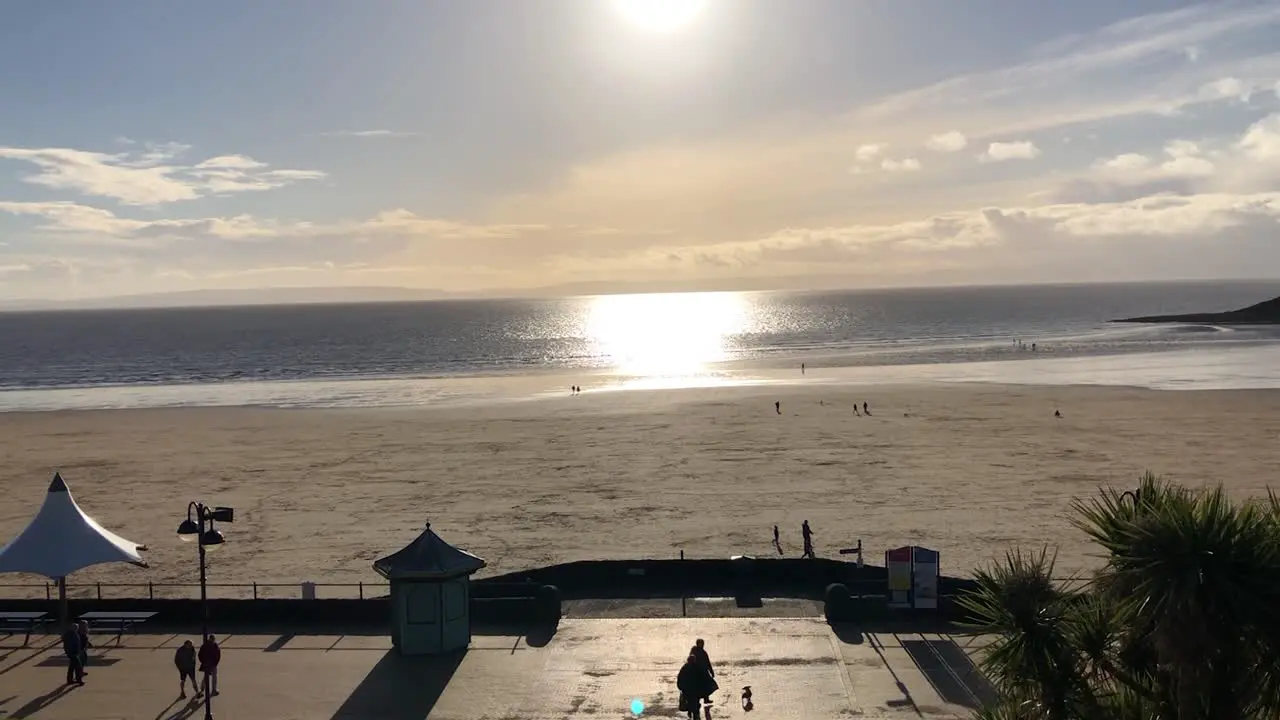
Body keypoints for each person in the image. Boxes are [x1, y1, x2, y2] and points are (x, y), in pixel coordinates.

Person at [676, 654, 708, 720]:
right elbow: (703, 678)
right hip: (696, 690)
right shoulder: (697, 667)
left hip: (688, 690)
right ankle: (695, 715)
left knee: (691, 702)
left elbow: (680, 678)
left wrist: (680, 687)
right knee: (695, 703)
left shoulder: (685, 667)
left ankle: (692, 712)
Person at [690, 638, 718, 704]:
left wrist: (711, 671)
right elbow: (690, 661)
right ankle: (698, 700)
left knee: (706, 686)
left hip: (703, 672)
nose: (702, 645)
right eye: (701, 643)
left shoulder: (703, 652)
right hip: (697, 672)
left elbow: (708, 663)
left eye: (703, 643)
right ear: (698, 644)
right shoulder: (694, 651)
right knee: (698, 687)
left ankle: (706, 699)